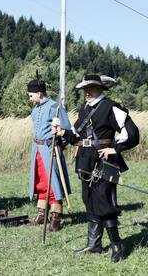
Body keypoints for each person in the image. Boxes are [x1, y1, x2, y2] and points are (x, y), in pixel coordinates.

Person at [53, 73, 139, 262]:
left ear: (100, 88)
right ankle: (94, 245)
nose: (87, 92)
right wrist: (63, 132)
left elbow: (131, 133)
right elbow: (76, 135)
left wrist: (114, 148)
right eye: (85, 89)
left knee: (104, 203)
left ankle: (117, 246)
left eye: (91, 88)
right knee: (89, 200)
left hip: (104, 162)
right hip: (85, 161)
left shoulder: (111, 107)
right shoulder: (85, 108)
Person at [27, 77, 72, 232]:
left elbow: (66, 129)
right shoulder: (35, 109)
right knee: (40, 182)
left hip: (50, 149)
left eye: (31, 95)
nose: (30, 98)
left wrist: (60, 144)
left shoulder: (55, 107)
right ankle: (42, 213)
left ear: (39, 93)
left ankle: (56, 216)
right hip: (37, 150)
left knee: (53, 183)